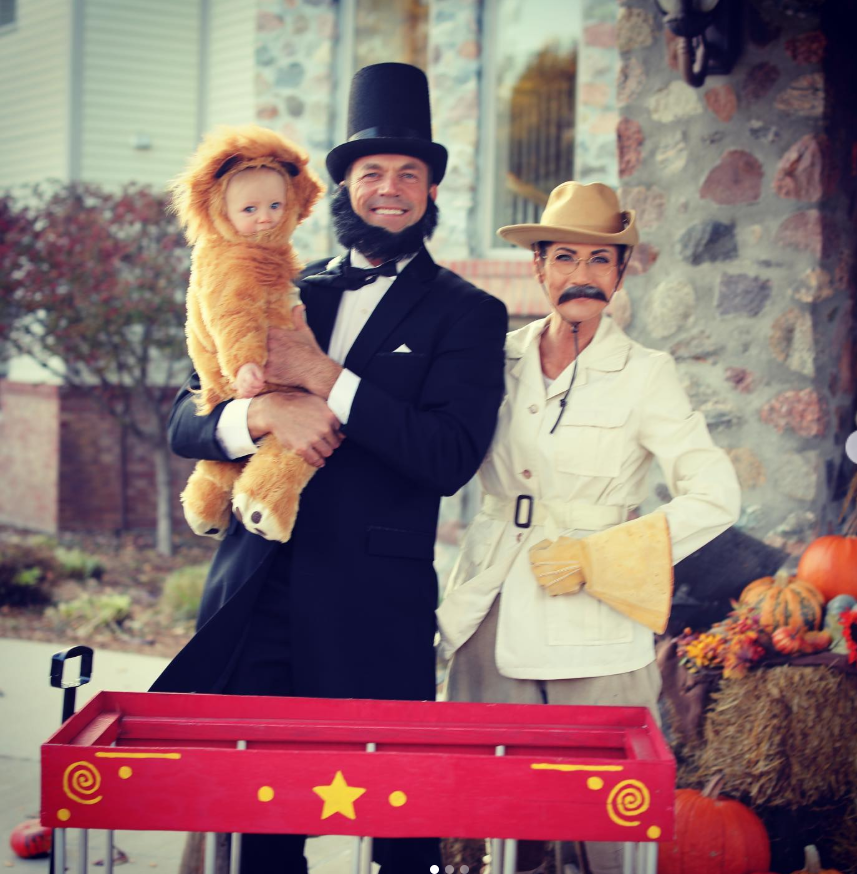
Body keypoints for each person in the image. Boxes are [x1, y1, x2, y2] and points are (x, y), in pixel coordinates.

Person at [152, 63, 508, 874]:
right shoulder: (276, 280)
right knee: (258, 835)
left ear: (429, 194)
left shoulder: (470, 312)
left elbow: (449, 456)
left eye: (409, 176)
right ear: (342, 188)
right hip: (257, 592)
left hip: (372, 609)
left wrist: (327, 382)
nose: (390, 189)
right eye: (371, 173)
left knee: (399, 834)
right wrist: (260, 414)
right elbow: (184, 416)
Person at [437, 181, 742, 874]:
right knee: (485, 816)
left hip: (595, 622)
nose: (584, 276)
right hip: (488, 603)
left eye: (602, 261)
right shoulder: (496, 358)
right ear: (537, 267)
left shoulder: (646, 374)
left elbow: (718, 495)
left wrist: (604, 556)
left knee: (613, 821)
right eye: (567, 257)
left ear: (621, 272)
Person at [169, 124, 324, 544]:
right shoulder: (236, 260)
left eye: (275, 205)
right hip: (247, 372)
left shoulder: (274, 259)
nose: (266, 218)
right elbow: (233, 313)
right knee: (309, 432)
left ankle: (206, 499)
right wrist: (246, 365)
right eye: (250, 210)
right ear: (222, 211)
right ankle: (265, 496)